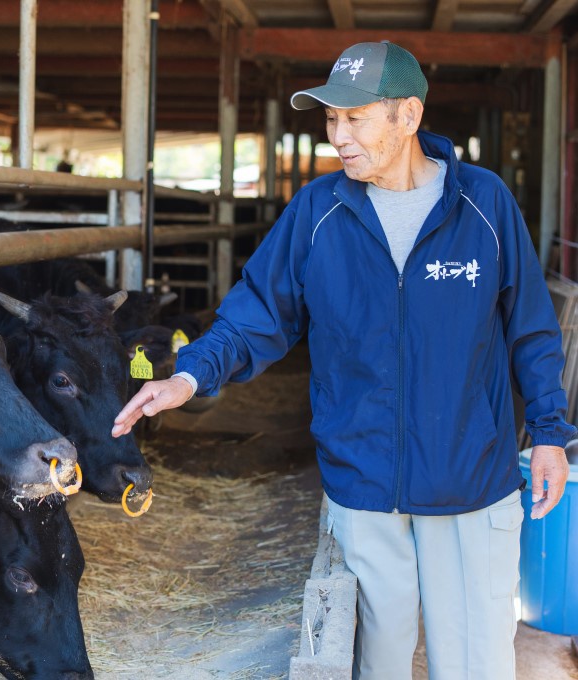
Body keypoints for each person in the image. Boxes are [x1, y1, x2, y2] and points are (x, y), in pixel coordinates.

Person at [112, 41, 576, 679]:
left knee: (474, 663)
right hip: (363, 486)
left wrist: (550, 433)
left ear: (407, 117)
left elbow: (531, 327)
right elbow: (255, 314)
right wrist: (191, 375)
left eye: (355, 118)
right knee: (375, 662)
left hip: (469, 481)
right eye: (331, 119)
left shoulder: (484, 206)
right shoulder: (317, 212)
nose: (338, 136)